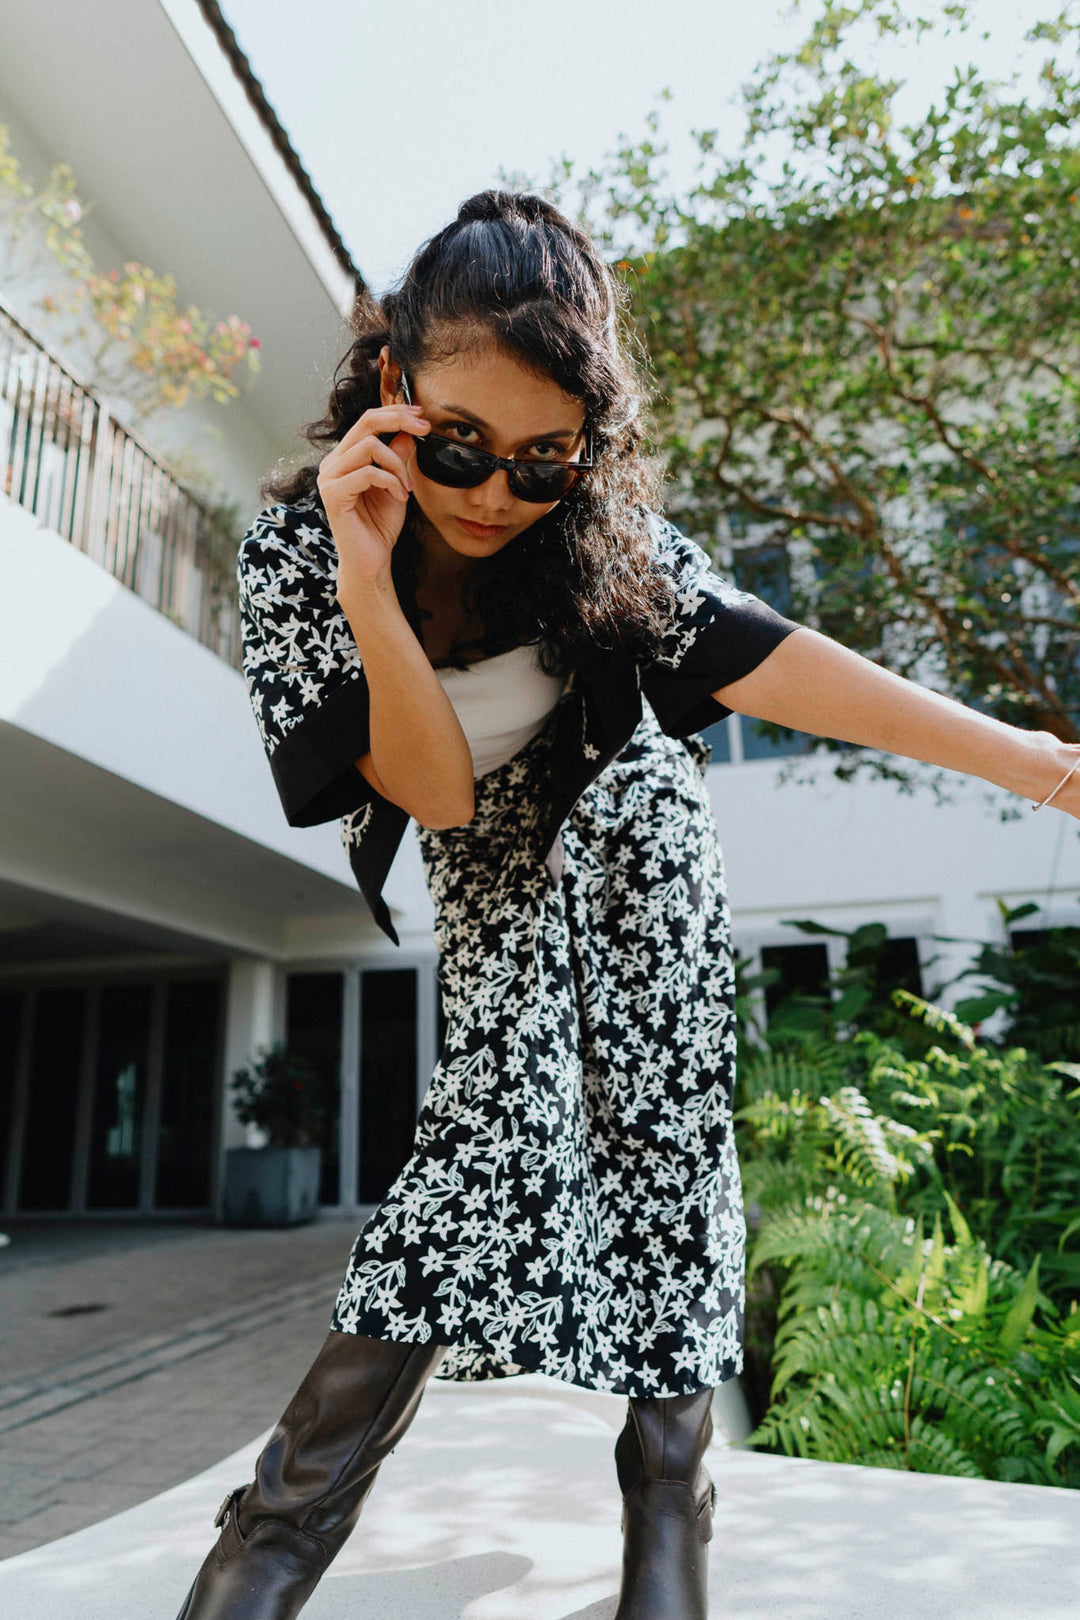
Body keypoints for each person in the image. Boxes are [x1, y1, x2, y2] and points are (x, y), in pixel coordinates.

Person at [174, 191, 1080, 1620]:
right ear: (397, 388)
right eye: (463, 444)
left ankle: (672, 1489)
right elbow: (438, 795)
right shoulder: (295, 557)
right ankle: (274, 1536)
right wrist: (366, 569)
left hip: (636, 837)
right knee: (476, 1155)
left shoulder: (602, 544)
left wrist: (1043, 766)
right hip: (489, 867)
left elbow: (792, 667)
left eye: (547, 459)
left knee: (664, 1144)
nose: (495, 492)